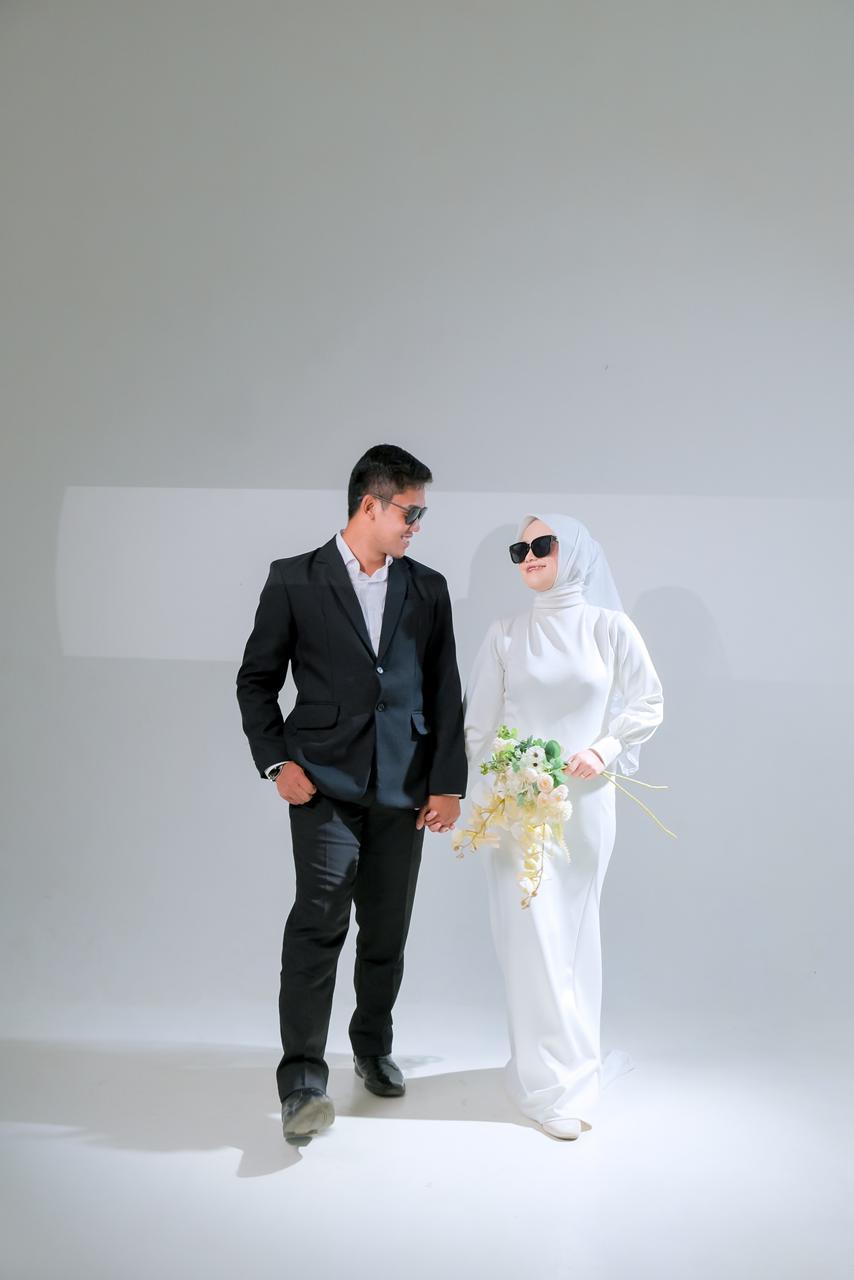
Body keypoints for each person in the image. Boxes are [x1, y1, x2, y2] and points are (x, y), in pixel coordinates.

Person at [236, 444, 467, 1140]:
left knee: (387, 930)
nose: (417, 526)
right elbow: (256, 680)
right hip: (323, 786)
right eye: (410, 512)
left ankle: (371, 1048)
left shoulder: (428, 587)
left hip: (404, 787)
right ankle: (303, 1082)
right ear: (371, 504)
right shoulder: (294, 579)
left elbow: (444, 689)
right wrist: (277, 763)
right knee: (319, 921)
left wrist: (448, 783)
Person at [462, 513, 663, 1140]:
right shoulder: (505, 634)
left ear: (572, 552)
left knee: (573, 935)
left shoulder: (609, 628)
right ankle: (540, 1076)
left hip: (584, 807)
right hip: (516, 805)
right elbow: (478, 724)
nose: (528, 556)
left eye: (541, 545)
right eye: (519, 548)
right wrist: (502, 781)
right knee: (527, 938)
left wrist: (604, 749)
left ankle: (572, 1076)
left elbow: (648, 700)